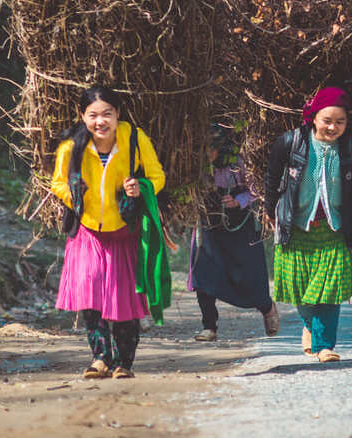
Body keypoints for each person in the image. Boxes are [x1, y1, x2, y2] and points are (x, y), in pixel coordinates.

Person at [50, 86, 167, 378]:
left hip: (123, 231)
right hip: (87, 231)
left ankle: (123, 363)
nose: (100, 121)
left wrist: (140, 188)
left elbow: (157, 176)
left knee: (123, 300)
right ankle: (100, 358)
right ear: (82, 116)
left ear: (118, 115)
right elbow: (57, 183)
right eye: (93, 115)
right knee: (91, 298)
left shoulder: (135, 140)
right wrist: (75, 196)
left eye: (107, 114)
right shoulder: (71, 147)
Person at [265, 86, 352, 362]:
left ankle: (325, 346)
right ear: (313, 117)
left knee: (329, 291)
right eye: (327, 120)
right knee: (301, 292)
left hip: (335, 229)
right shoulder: (290, 143)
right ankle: (311, 328)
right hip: (297, 229)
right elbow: (272, 180)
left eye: (340, 121)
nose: (333, 127)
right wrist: (270, 212)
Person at [189, 126, 280, 342]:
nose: (207, 154)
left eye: (211, 149)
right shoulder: (197, 166)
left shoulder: (238, 163)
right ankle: (209, 326)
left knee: (248, 274)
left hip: (239, 225)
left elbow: (256, 190)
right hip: (209, 223)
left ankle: (267, 307)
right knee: (204, 273)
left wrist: (238, 201)